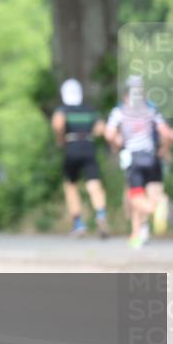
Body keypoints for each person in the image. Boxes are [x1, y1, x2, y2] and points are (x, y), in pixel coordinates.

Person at [105, 76, 173, 248]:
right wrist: (164, 150)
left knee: (135, 196)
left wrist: (117, 144)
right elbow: (168, 134)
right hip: (151, 158)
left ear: (126, 94)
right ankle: (137, 234)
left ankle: (157, 208)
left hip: (134, 159)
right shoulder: (151, 110)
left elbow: (109, 134)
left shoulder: (119, 111)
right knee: (145, 193)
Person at [50, 78, 108, 237]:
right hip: (88, 146)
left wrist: (60, 139)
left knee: (71, 185)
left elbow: (58, 124)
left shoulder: (63, 110)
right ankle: (101, 215)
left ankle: (78, 223)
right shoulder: (89, 110)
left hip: (72, 146)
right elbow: (101, 128)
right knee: (94, 184)